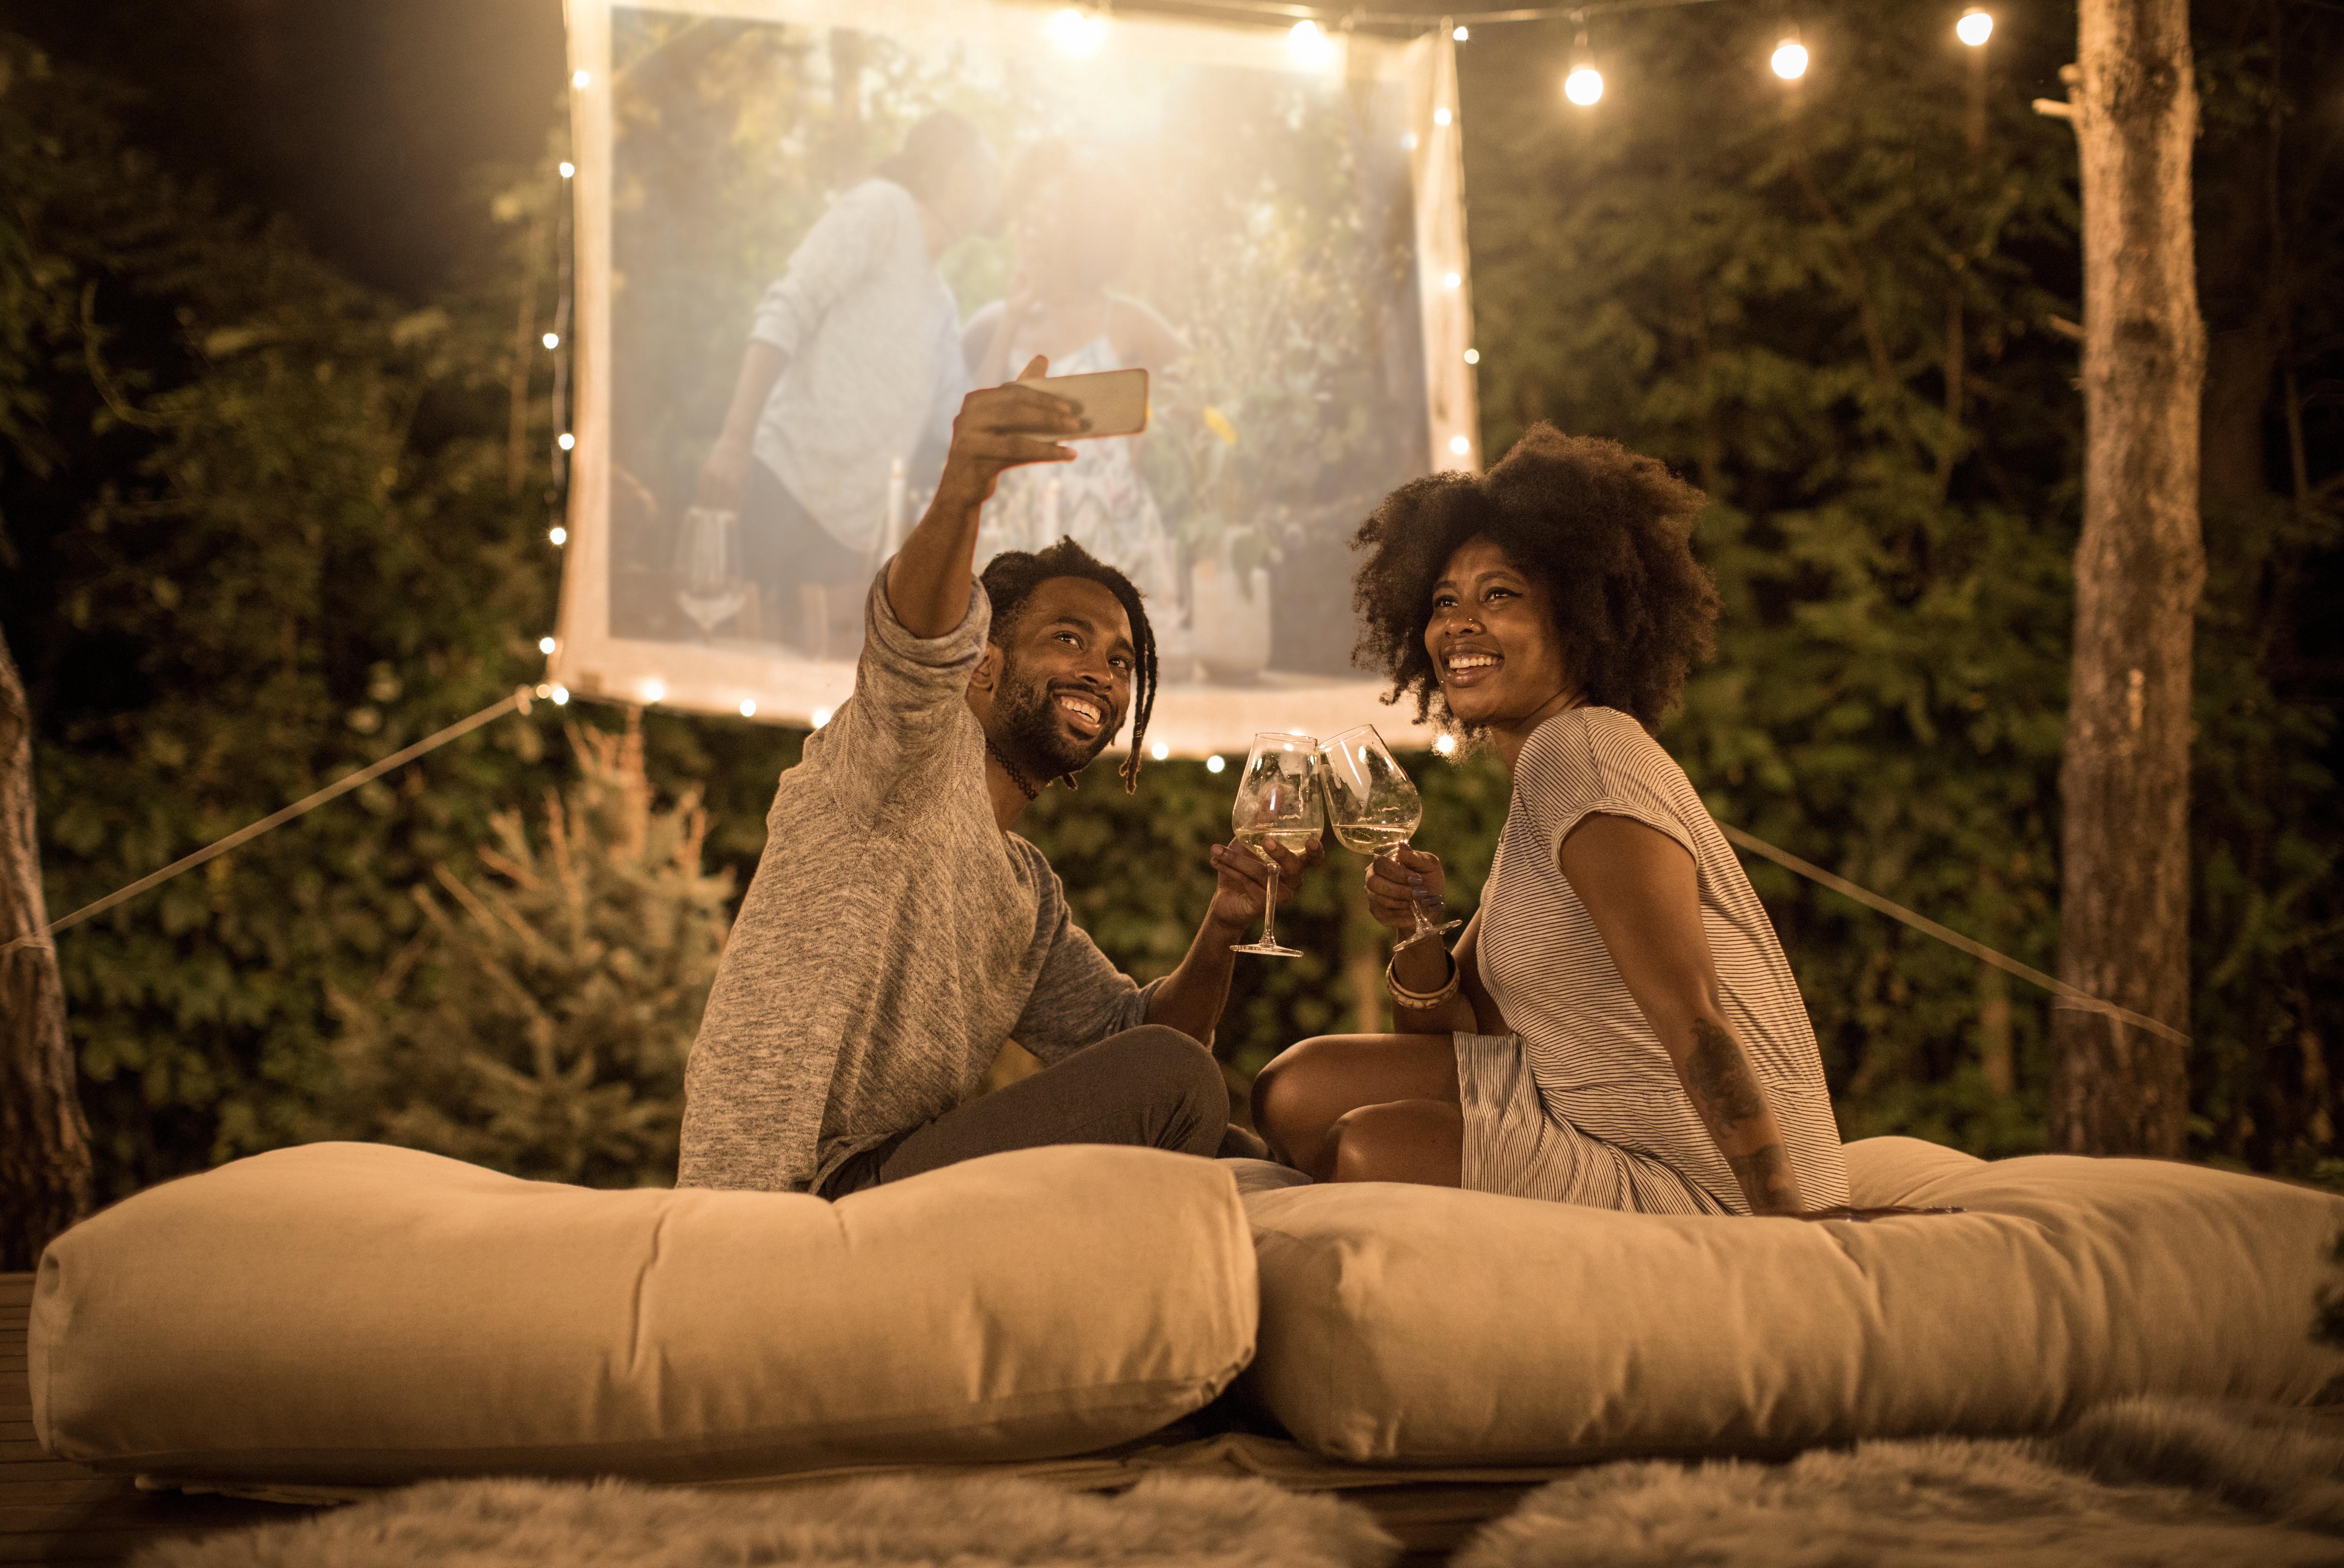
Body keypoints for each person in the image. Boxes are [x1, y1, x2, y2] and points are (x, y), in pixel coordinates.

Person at [679, 362, 1317, 1196]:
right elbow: (913, 642)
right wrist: (962, 489)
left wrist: (1225, 925)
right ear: (981, 667)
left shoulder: (1026, 896)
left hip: (892, 1185)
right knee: (1177, 1088)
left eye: (1121, 662)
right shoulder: (897, 758)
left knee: (1239, 1149)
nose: (1101, 673)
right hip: (794, 1195)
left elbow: (1138, 1037)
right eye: (1067, 639)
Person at [1248, 425, 1852, 1217]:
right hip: (1573, 1099)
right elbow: (1452, 1034)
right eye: (1443, 603)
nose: (1458, 625)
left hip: (1690, 1163)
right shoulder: (1539, 785)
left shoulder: (1582, 755)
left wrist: (1790, 1221)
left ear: (1576, 618)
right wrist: (1419, 930)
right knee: (1292, 1089)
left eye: (1498, 595)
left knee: (1359, 1149)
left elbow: (1692, 1011)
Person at [694, 111, 997, 649]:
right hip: (779, 487)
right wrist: (735, 440)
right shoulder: (883, 208)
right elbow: (787, 309)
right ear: (954, 173)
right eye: (986, 173)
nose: (995, 191)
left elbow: (957, 420)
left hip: (845, 542)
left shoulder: (941, 304)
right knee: (725, 652)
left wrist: (1015, 320)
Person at [962, 141, 1187, 607]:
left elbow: (1213, 399)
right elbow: (971, 430)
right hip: (1020, 542)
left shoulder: (1127, 322)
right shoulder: (992, 323)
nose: (1032, 225)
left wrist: (1147, 441)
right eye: (1028, 209)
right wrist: (1011, 318)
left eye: (1050, 211)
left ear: (1085, 226)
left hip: (1115, 539)